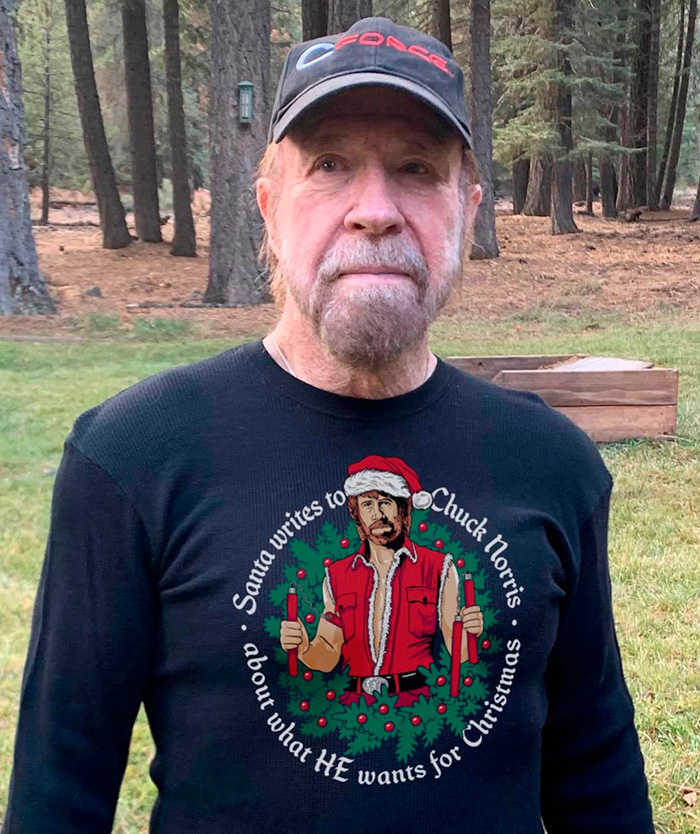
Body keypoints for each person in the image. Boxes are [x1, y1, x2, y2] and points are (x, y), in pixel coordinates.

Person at [4, 16, 654, 834]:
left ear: (468, 206)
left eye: (417, 168)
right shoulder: (131, 459)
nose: (373, 211)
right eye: (330, 164)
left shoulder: (555, 464)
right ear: (270, 207)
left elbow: (596, 770)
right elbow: (58, 789)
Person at [280, 454, 484, 706]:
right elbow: (328, 653)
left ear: (403, 508)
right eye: (367, 505)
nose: (377, 514)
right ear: (357, 514)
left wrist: (469, 629)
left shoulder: (439, 567)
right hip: (354, 707)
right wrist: (302, 647)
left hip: (416, 705)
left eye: (385, 502)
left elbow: (459, 651)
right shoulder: (336, 575)